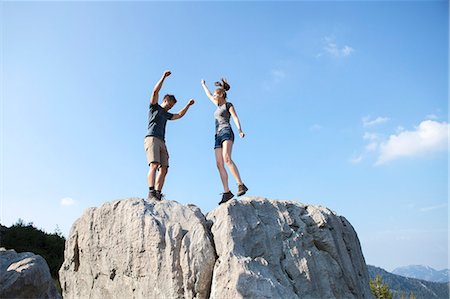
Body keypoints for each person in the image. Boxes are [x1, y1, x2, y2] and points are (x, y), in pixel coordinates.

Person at [145, 70, 195, 201]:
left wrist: (188, 106)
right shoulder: (154, 107)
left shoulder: (167, 114)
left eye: (172, 106)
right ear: (165, 100)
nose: (170, 107)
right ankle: (151, 192)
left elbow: (178, 115)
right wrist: (163, 77)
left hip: (162, 140)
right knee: (154, 165)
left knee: (165, 168)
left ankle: (158, 193)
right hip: (152, 138)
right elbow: (155, 92)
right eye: (170, 104)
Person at [201, 78, 248, 204]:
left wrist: (240, 130)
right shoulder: (217, 105)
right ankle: (227, 192)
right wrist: (203, 85)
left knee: (227, 158)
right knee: (219, 163)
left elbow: (235, 117)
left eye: (216, 95)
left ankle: (240, 184)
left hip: (227, 131)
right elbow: (209, 95)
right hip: (217, 136)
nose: (214, 97)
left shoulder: (228, 105)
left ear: (221, 95)